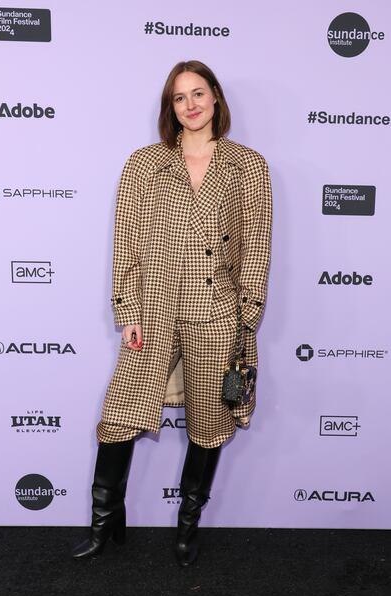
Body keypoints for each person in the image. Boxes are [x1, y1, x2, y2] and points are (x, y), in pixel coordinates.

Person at [72, 60, 273, 567]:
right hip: (155, 310)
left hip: (215, 312)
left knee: (208, 422)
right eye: (179, 97)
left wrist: (245, 317)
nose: (191, 104)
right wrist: (128, 308)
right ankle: (105, 519)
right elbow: (127, 243)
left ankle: (188, 525)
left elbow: (256, 247)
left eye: (198, 93)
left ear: (217, 98)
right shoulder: (144, 164)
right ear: (171, 108)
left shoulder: (248, 166)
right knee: (119, 415)